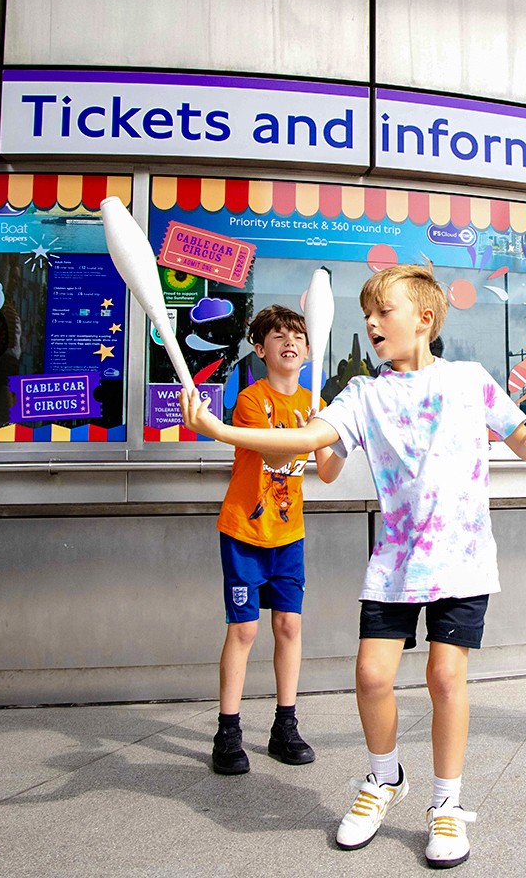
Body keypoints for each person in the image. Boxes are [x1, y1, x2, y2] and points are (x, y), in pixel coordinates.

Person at [181, 263, 526, 868]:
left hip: (462, 561)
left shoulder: (469, 381)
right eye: (366, 314)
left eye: (383, 311)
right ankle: (385, 777)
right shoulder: (363, 394)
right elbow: (313, 447)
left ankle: (446, 803)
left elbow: (521, 437)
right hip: (394, 563)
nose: (370, 322)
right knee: (370, 676)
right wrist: (222, 428)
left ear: (425, 318)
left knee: (445, 678)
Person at [205, 304, 346, 777]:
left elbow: (326, 472)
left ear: (308, 350)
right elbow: (269, 447)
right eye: (278, 335)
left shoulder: (316, 407)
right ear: (261, 348)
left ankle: (285, 726)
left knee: (288, 627)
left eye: (298, 335)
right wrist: (315, 431)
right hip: (245, 530)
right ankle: (228, 731)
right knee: (243, 630)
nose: (289, 340)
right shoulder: (250, 399)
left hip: (289, 535)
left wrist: (341, 437)